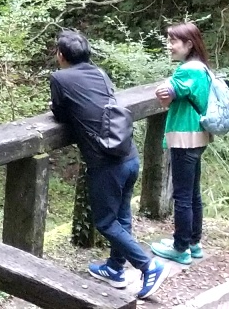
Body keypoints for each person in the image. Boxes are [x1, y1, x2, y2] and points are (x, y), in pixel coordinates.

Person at [50, 29, 167, 300]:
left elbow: (59, 112)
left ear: (62, 55)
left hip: (105, 163)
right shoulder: (100, 73)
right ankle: (115, 268)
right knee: (122, 215)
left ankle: (148, 265)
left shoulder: (60, 78)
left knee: (105, 222)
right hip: (128, 154)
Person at [151, 22, 212, 265]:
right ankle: (193, 242)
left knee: (183, 196)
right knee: (193, 193)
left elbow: (165, 94)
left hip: (184, 137)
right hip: (199, 135)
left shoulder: (188, 70)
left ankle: (180, 247)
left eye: (173, 41)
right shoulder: (203, 69)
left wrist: (163, 88)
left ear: (189, 44)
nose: (169, 46)